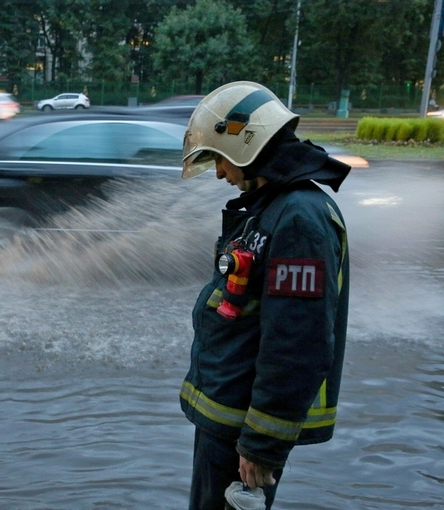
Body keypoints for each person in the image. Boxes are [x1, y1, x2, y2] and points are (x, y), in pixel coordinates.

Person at [178, 81, 351, 510]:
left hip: (244, 436)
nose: (219, 172)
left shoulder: (298, 219)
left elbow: (298, 343)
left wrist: (262, 445)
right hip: (229, 422)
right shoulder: (270, 208)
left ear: (245, 145)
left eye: (219, 158)